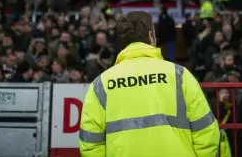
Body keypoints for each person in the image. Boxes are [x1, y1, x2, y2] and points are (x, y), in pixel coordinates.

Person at [79, 11, 220, 157]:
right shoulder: (180, 75)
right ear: (151, 36)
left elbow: (90, 143)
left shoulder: (101, 84)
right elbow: (206, 132)